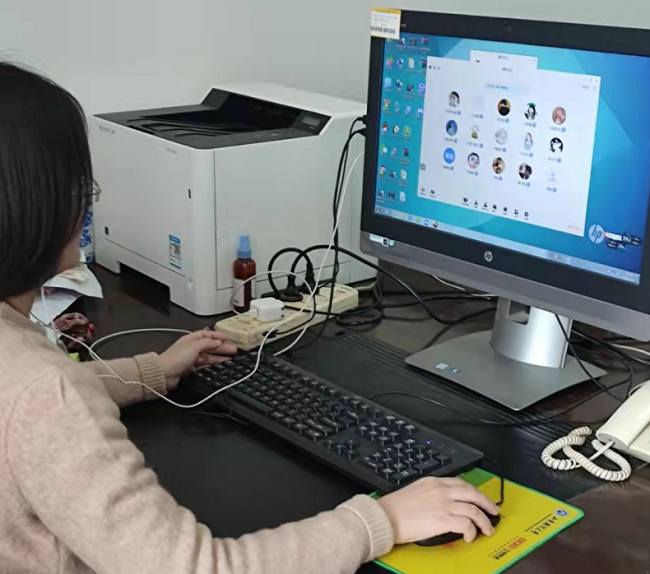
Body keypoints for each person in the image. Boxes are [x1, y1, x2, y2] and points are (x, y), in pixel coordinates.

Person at [0, 63, 499, 574]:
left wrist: (156, 371)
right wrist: (384, 520)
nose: (88, 202)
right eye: (81, 188)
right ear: (37, 205)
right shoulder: (46, 394)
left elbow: (32, 409)